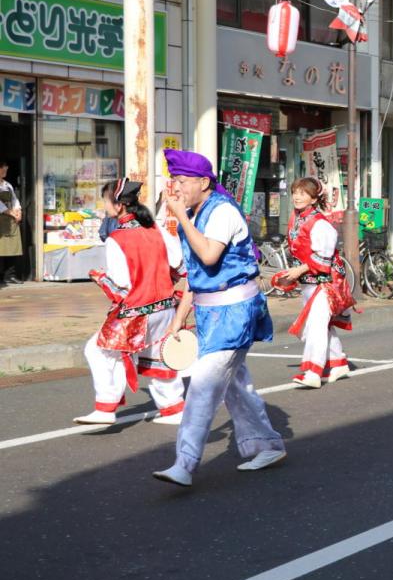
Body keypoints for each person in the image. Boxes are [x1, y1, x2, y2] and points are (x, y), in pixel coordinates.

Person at [152, 150, 286, 487]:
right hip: (211, 313)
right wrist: (178, 320)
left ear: (203, 182)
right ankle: (267, 445)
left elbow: (209, 255)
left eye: (182, 181)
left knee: (202, 385)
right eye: (174, 181)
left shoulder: (222, 211)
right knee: (235, 385)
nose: (177, 187)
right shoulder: (195, 214)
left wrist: (180, 218)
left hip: (235, 312)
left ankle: (185, 463)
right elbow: (195, 275)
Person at [75, 178, 187, 426]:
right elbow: (179, 266)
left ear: (119, 206)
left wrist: (100, 278)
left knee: (99, 350)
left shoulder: (117, 238)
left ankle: (106, 407)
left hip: (136, 311)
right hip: (165, 307)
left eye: (106, 201)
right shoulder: (155, 229)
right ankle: (173, 408)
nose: (105, 206)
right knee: (158, 356)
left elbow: (121, 286)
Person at [278, 177, 354, 389]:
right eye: (295, 192)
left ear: (313, 198)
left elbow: (323, 257)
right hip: (308, 282)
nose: (297, 197)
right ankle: (338, 363)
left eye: (303, 193)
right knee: (317, 326)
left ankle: (313, 371)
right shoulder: (297, 218)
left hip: (325, 283)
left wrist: (298, 271)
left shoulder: (320, 223)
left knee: (315, 327)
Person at [0, 158, 23, 284]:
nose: (5, 171)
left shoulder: (7, 185)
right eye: (3, 168)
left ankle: (10, 275)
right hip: (1, 219)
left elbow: (14, 200)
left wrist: (18, 211)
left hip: (10, 220)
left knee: (13, 247)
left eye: (6, 169)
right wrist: (9, 212)